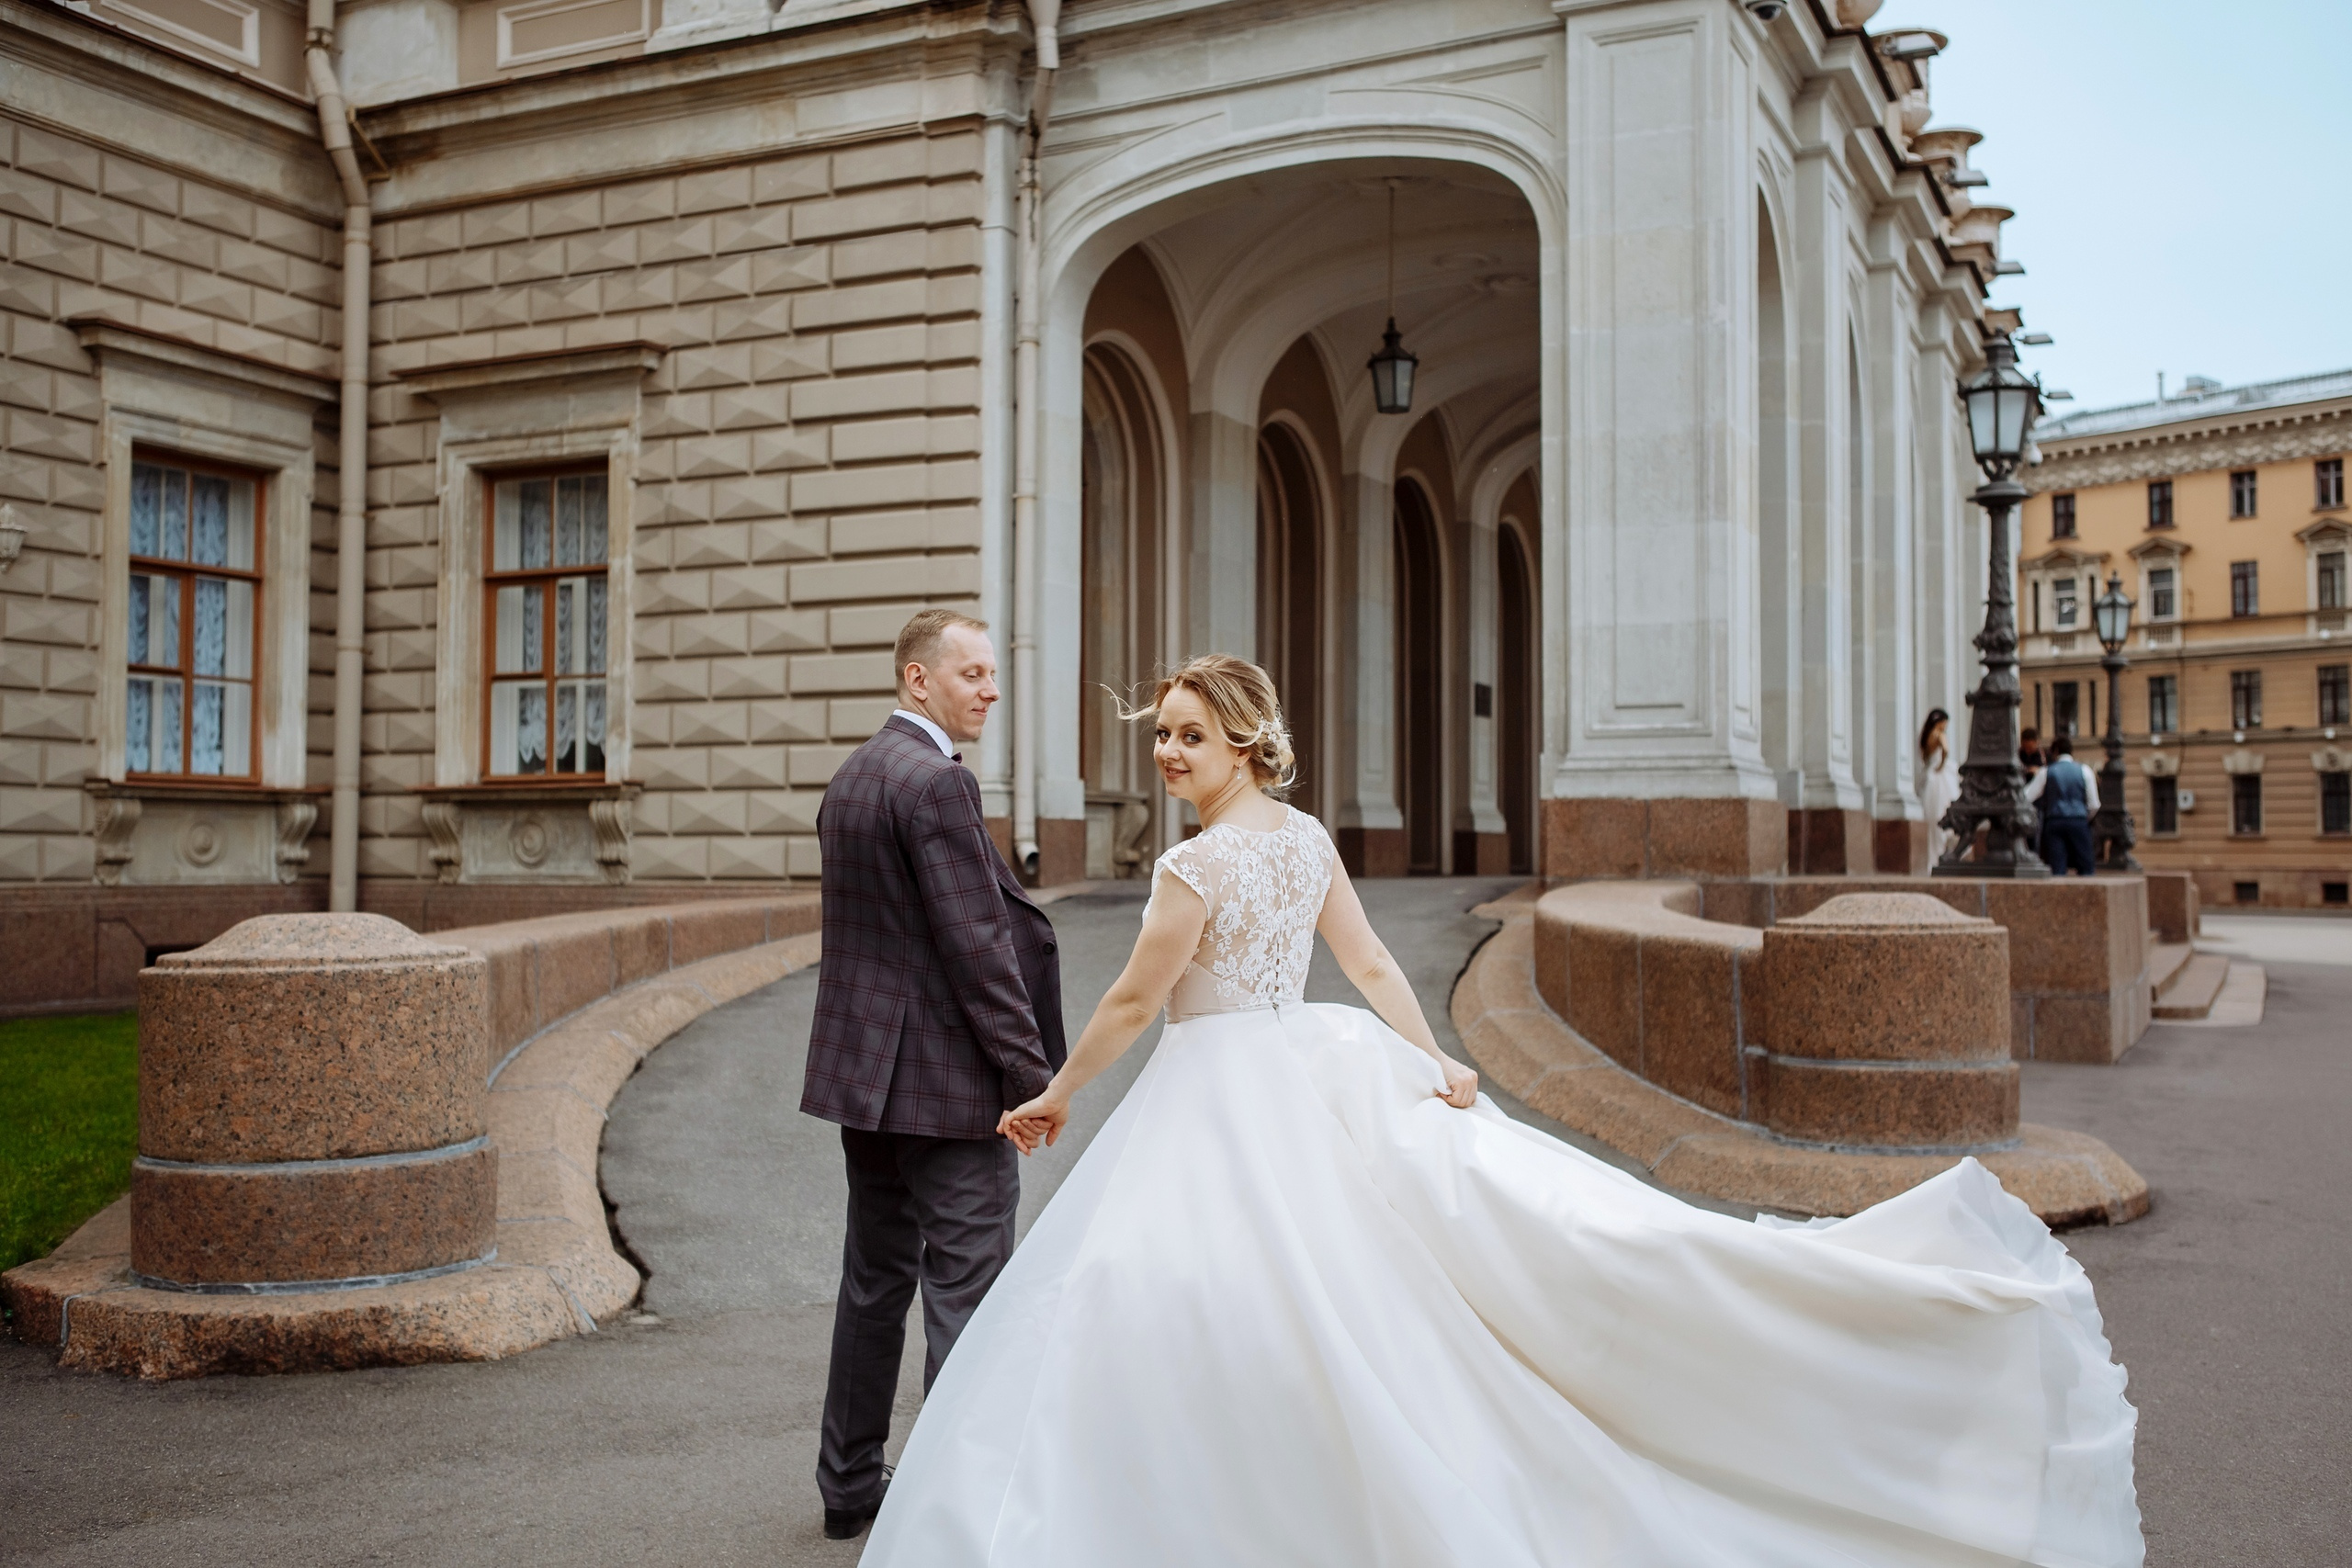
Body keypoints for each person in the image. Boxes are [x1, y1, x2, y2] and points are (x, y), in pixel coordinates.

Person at [862, 653, 2143, 1568]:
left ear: (1246, 743)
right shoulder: (1302, 839)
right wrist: (1427, 1055)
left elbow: (1144, 1000)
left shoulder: (1196, 861)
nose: (1168, 752)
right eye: (1164, 732)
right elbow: (1361, 972)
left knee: (1187, 1293)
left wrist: (1056, 1094)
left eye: (1190, 734)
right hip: (1302, 1066)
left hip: (1215, 1089)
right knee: (1312, 1297)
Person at [799, 608, 1067, 1541]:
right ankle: (954, 1516)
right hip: (949, 1097)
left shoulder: (852, 779)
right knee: (969, 1295)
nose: (990, 689)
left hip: (864, 1088)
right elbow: (979, 950)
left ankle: (847, 1488)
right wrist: (1032, 1083)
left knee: (873, 1285)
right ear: (920, 680)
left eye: (993, 674)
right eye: (972, 674)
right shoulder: (937, 784)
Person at [2029, 731, 2101, 876]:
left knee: (2057, 868)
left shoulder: (2046, 772)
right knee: (2086, 866)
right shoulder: (2085, 771)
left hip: (2054, 822)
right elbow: (2094, 804)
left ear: (2055, 752)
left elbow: (2027, 796)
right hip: (2079, 822)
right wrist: (2082, 817)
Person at [1918, 705, 1960, 860]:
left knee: (1932, 814)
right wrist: (1942, 765)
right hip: (1940, 776)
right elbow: (1946, 750)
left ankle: (1934, 854)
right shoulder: (1939, 734)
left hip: (1929, 776)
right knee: (1945, 811)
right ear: (1941, 722)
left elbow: (1925, 757)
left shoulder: (1926, 736)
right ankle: (1944, 852)